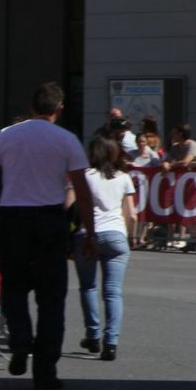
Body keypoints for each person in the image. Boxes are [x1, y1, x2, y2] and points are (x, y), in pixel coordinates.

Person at [0, 82, 94, 390]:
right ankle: (45, 371)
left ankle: (19, 341)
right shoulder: (67, 139)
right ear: (59, 109)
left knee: (14, 289)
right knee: (52, 299)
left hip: (14, 220)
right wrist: (90, 233)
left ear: (31, 107)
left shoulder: (7, 135)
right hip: (50, 221)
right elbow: (82, 192)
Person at [72, 136, 135, 362]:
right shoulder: (124, 178)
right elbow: (131, 214)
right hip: (116, 235)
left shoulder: (84, 176)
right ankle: (111, 343)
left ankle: (93, 335)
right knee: (113, 292)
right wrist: (130, 237)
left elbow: (70, 205)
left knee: (88, 287)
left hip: (87, 235)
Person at [161, 124, 196, 250]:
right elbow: (167, 159)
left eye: (175, 133)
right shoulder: (175, 147)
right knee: (185, 208)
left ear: (181, 134)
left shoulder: (192, 145)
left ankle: (194, 238)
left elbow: (186, 161)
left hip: (195, 183)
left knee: (194, 210)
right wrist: (165, 163)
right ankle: (192, 240)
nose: (172, 135)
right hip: (184, 183)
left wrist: (171, 166)